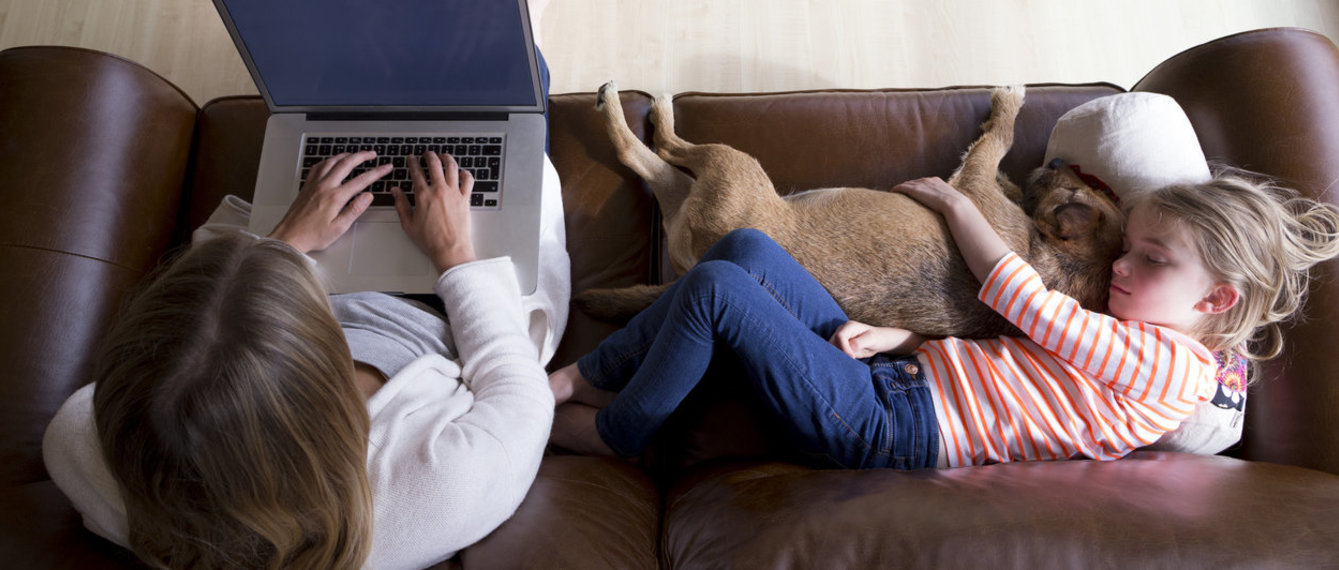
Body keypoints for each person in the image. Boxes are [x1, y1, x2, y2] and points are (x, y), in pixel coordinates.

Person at [41, 41, 568, 570]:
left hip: (325, 271)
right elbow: (520, 391)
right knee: (507, 70)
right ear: (324, 418)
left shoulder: (86, 452)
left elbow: (142, 395)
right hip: (443, 311)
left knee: (345, 78)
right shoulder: (431, 493)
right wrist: (455, 255)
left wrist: (284, 244)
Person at [549, 171, 1339, 469]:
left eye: (1152, 260)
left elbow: (1024, 304)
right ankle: (579, 379)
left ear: (1215, 301)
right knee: (749, 248)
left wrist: (961, 203)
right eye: (1126, 248)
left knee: (719, 288)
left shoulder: (1176, 368)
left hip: (886, 425)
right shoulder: (1131, 340)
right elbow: (1013, 364)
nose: (1120, 268)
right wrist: (911, 338)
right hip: (895, 377)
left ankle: (615, 426)